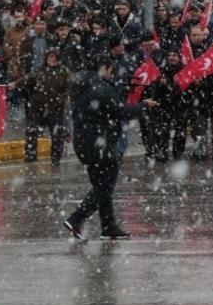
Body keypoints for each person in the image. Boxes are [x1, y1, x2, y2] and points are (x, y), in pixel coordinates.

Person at [64, 54, 156, 241]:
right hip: (99, 142)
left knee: (100, 185)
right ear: (104, 68)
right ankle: (77, 218)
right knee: (105, 185)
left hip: (84, 142)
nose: (111, 73)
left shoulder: (81, 86)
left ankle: (108, 226)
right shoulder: (101, 89)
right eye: (110, 69)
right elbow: (120, 112)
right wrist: (143, 106)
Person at [12, 48, 70, 164]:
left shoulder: (64, 71)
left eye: (55, 57)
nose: (52, 60)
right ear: (46, 58)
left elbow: (70, 86)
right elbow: (27, 79)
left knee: (57, 136)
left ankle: (55, 158)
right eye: (50, 57)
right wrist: (15, 84)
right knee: (31, 131)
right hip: (38, 107)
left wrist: (67, 96)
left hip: (56, 108)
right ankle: (31, 155)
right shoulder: (39, 71)